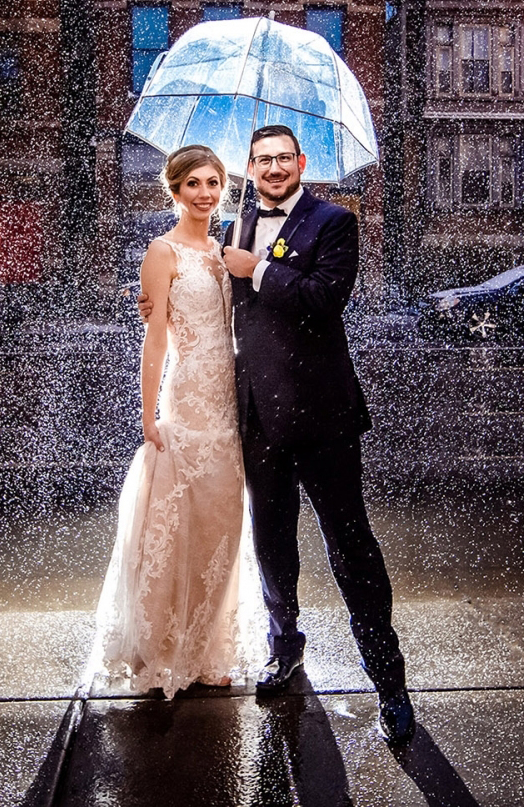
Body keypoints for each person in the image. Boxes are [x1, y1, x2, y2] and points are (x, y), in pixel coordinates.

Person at [141, 124, 414, 746]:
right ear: (251, 165)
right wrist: (157, 301)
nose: (272, 168)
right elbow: (208, 304)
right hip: (256, 421)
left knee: (352, 547)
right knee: (271, 542)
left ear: (301, 162)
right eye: (262, 160)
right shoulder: (232, 228)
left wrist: (259, 267)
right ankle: (284, 645)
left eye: (283, 159)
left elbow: (323, 299)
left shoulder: (334, 222)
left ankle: (389, 681)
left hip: (324, 420)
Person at [90, 145, 249, 696]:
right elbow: (154, 337)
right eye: (194, 185)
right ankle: (166, 648)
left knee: (222, 523)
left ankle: (208, 646)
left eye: (213, 183)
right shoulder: (163, 252)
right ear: (175, 190)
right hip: (188, 400)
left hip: (230, 397)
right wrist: (148, 412)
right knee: (178, 521)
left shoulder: (226, 247)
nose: (205, 193)